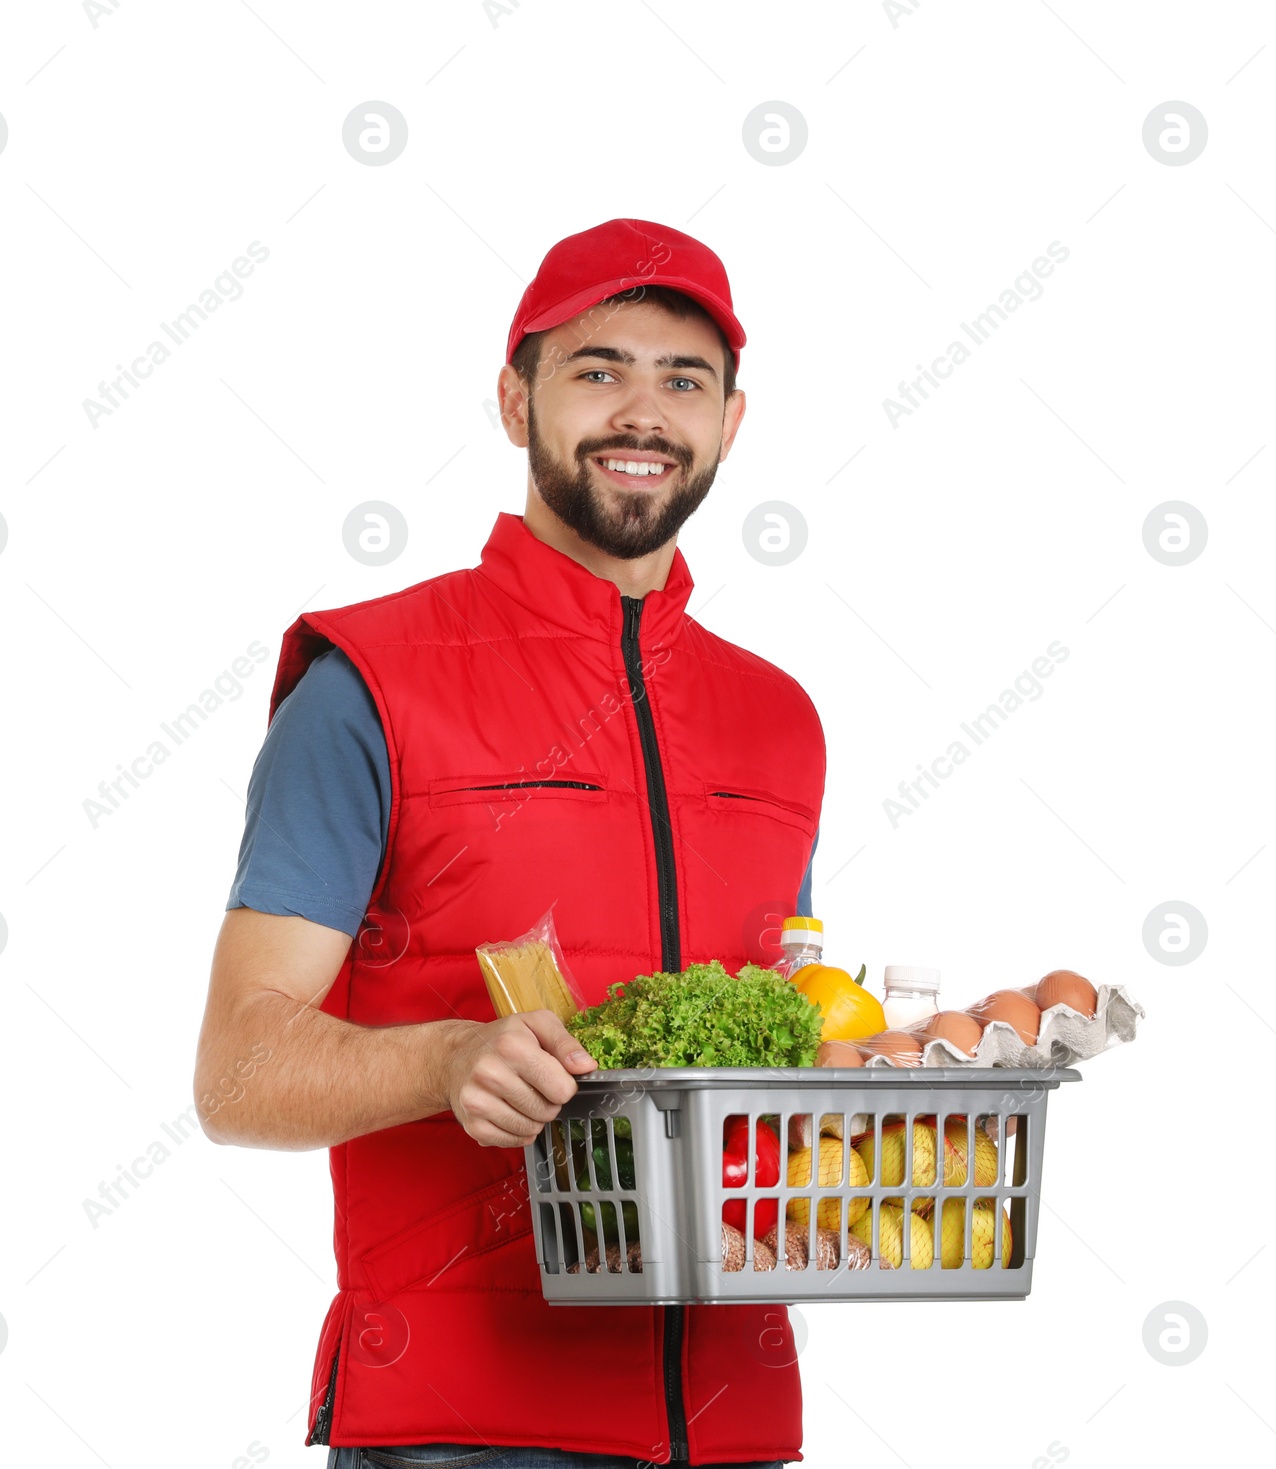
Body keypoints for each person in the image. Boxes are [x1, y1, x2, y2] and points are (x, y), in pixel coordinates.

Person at [193, 218, 826, 1468]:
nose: (641, 412)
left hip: (737, 1424)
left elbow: (787, 1039)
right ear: (512, 396)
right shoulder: (373, 683)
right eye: (598, 369)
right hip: (464, 1429)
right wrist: (446, 1061)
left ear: (732, 422)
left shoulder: (778, 722)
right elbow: (235, 1071)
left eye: (682, 379)